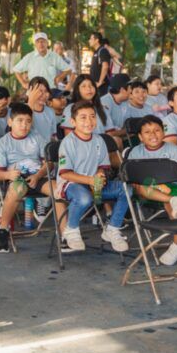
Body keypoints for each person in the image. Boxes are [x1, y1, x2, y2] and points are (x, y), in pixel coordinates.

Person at [57, 101, 130, 253]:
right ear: (73, 122)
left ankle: (112, 229)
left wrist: (99, 176)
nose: (88, 121)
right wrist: (90, 180)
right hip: (72, 185)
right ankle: (71, 231)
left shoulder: (99, 140)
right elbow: (65, 173)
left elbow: (103, 167)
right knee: (84, 198)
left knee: (126, 190)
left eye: (92, 117)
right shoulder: (68, 142)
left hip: (94, 184)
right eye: (83, 117)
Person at [128, 115, 177, 265]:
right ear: (140, 137)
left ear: (163, 132)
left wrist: (165, 186)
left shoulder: (173, 150)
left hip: (172, 187)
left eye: (157, 130)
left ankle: (176, 246)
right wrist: (156, 185)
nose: (153, 135)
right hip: (147, 191)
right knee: (141, 186)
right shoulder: (136, 153)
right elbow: (134, 179)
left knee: (175, 206)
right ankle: (172, 200)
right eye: (147, 132)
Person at [0, 103, 51, 253]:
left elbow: (49, 164)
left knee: (59, 190)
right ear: (10, 122)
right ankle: (3, 230)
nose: (24, 125)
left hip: (37, 176)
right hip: (16, 177)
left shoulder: (37, 138)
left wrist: (38, 175)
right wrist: (8, 175)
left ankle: (65, 234)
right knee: (17, 189)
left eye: (28, 121)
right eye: (20, 120)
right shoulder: (3, 143)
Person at [61, 74, 122, 147]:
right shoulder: (70, 109)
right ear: (77, 90)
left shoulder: (102, 108)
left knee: (117, 140)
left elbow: (109, 133)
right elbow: (68, 136)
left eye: (91, 85)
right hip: (80, 146)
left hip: (101, 145)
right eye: (84, 86)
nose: (89, 89)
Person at [25, 77, 58, 143]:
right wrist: (31, 101)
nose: (43, 95)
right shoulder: (21, 109)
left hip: (45, 150)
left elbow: (53, 136)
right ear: (30, 92)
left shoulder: (50, 112)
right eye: (39, 91)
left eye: (46, 91)